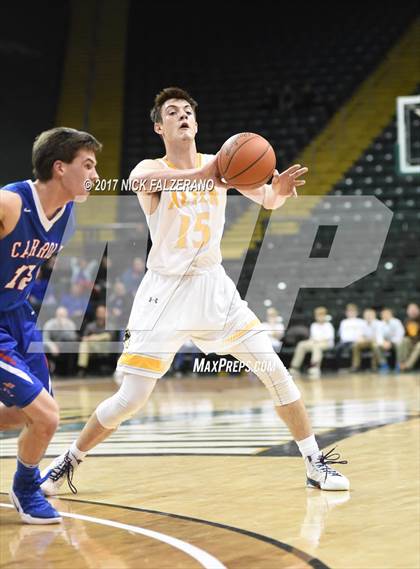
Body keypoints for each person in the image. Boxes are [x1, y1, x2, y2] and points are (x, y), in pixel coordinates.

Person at [42, 86, 349, 495]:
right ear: (159, 126)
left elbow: (267, 198)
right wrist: (205, 177)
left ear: (197, 122)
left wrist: (277, 193)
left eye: (187, 110)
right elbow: (139, 180)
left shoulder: (221, 163)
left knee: (275, 370)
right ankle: (68, 461)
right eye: (172, 112)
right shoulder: (152, 168)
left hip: (212, 285)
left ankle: (314, 463)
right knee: (130, 399)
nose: (182, 115)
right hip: (164, 292)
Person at [0, 127, 101, 524]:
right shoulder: (10, 203)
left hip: (19, 317)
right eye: (88, 165)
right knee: (47, 416)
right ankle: (26, 489)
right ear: (60, 167)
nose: (95, 175)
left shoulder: (67, 217)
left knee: (29, 415)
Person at [290, 307, 335, 379]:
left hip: (326, 343)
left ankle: (314, 368)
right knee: (301, 344)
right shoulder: (313, 325)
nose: (320, 317)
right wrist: (311, 341)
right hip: (314, 342)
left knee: (317, 346)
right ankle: (294, 367)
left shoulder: (328, 325)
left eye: (322, 315)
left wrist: (317, 341)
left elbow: (328, 338)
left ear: (324, 316)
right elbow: (312, 337)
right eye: (318, 315)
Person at [77, 305, 115, 376]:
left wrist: (94, 337)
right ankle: (82, 369)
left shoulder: (110, 325)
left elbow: (110, 337)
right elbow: (84, 338)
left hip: (105, 347)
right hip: (93, 347)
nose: (102, 314)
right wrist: (90, 339)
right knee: (84, 344)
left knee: (106, 336)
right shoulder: (90, 326)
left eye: (104, 312)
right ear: (96, 313)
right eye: (100, 312)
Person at [43, 306, 79, 376]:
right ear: (56, 315)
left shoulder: (70, 324)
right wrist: (52, 346)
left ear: (67, 316)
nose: (61, 317)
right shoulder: (49, 324)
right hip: (52, 346)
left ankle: (69, 371)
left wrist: (63, 327)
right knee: (44, 347)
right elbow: (45, 338)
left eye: (63, 315)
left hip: (65, 346)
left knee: (73, 345)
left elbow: (72, 337)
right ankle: (48, 370)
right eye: (59, 315)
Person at [377, 308, 405, 373]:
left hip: (395, 342)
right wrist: (383, 343)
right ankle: (383, 364)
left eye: (387, 314)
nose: (385, 315)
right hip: (384, 343)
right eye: (384, 314)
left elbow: (400, 334)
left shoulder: (397, 322)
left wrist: (391, 342)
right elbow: (378, 336)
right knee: (376, 345)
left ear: (391, 315)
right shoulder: (380, 324)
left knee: (401, 343)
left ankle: (399, 364)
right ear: (381, 316)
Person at [398, 303, 420, 371]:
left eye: (414, 310)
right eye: (411, 310)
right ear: (408, 312)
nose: (413, 312)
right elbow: (404, 334)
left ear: (418, 310)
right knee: (404, 340)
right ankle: (401, 363)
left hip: (418, 343)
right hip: (411, 343)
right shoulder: (407, 321)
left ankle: (407, 366)